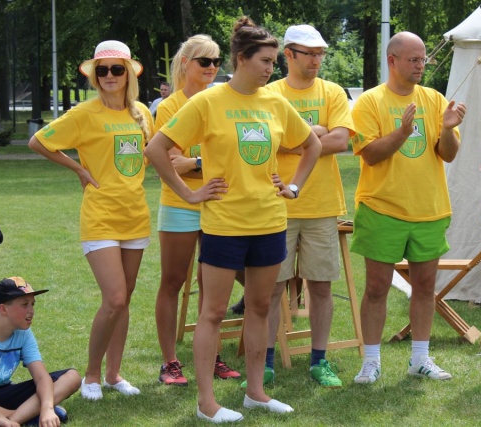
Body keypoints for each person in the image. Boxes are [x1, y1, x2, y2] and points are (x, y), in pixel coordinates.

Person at [145, 16, 321, 423]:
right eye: (265, 61)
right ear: (242, 59)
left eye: (274, 62)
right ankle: (206, 403)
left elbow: (311, 144)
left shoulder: (275, 103)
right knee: (213, 311)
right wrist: (189, 193)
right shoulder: (207, 102)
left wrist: (293, 187)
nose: (271, 69)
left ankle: (256, 393)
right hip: (224, 225)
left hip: (270, 222)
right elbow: (156, 149)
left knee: (259, 307)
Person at [28, 40, 153, 400]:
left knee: (124, 300)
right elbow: (39, 141)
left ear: (128, 73)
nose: (109, 75)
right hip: (100, 216)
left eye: (117, 69)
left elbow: (150, 155)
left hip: (135, 215)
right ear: (95, 76)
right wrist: (79, 169)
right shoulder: (84, 113)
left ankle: (114, 375)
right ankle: (92, 376)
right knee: (114, 297)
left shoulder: (142, 113)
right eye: (102, 70)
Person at [350, 31, 466, 384]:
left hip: (429, 209)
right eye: (414, 59)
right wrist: (402, 132)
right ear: (392, 60)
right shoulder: (370, 102)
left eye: (423, 59)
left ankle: (420, 358)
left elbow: (448, 154)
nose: (421, 65)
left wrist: (448, 129)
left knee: (425, 287)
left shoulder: (434, 99)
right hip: (381, 208)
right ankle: (371, 361)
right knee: (377, 287)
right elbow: (370, 155)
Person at [247, 24, 354, 388]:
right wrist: (315, 134)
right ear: (289, 55)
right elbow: (266, 141)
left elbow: (340, 141)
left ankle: (319, 361)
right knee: (271, 290)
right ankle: (265, 363)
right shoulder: (268, 93)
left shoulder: (332, 92)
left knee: (320, 287)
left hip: (321, 206)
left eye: (320, 53)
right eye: (309, 54)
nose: (316, 60)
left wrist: (298, 141)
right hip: (275, 206)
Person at [154, 34, 240, 387]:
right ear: (186, 63)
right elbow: (170, 160)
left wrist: (193, 162)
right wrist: (203, 163)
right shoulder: (170, 106)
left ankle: (212, 356)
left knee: (212, 286)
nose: (212, 67)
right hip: (180, 203)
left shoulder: (221, 101)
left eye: (217, 61)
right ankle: (169, 362)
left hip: (217, 202)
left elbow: (219, 157)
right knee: (173, 281)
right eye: (205, 61)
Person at [0, 277, 81, 426]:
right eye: (24, 304)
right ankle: (26, 414)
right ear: (3, 309)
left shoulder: (24, 333)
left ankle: (14, 418)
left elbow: (41, 377)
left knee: (72, 377)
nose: (31, 310)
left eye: (32, 304)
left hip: (4, 392)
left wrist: (47, 408)